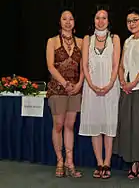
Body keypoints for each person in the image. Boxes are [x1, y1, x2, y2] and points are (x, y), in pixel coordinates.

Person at [113, 8, 139, 179]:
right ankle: (132, 162)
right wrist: (123, 81)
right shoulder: (128, 41)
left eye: (135, 20)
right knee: (129, 127)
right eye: (129, 21)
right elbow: (122, 64)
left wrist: (133, 83)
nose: (132, 24)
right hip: (127, 90)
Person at [79, 7, 121, 179]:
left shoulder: (115, 38)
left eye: (104, 18)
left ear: (109, 20)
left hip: (111, 88)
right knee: (96, 125)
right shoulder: (87, 39)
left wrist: (110, 83)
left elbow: (116, 64)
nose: (101, 21)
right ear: (93, 20)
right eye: (98, 18)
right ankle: (99, 162)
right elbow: (84, 65)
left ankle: (107, 163)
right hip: (92, 88)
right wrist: (91, 84)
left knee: (109, 125)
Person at [46, 9, 84, 178]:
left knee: (70, 126)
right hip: (57, 89)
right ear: (60, 21)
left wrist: (79, 84)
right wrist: (64, 83)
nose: (68, 22)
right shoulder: (52, 41)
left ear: (74, 22)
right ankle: (59, 160)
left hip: (75, 90)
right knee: (59, 125)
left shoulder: (82, 42)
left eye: (71, 19)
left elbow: (84, 67)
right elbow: (50, 66)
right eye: (64, 19)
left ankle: (70, 162)